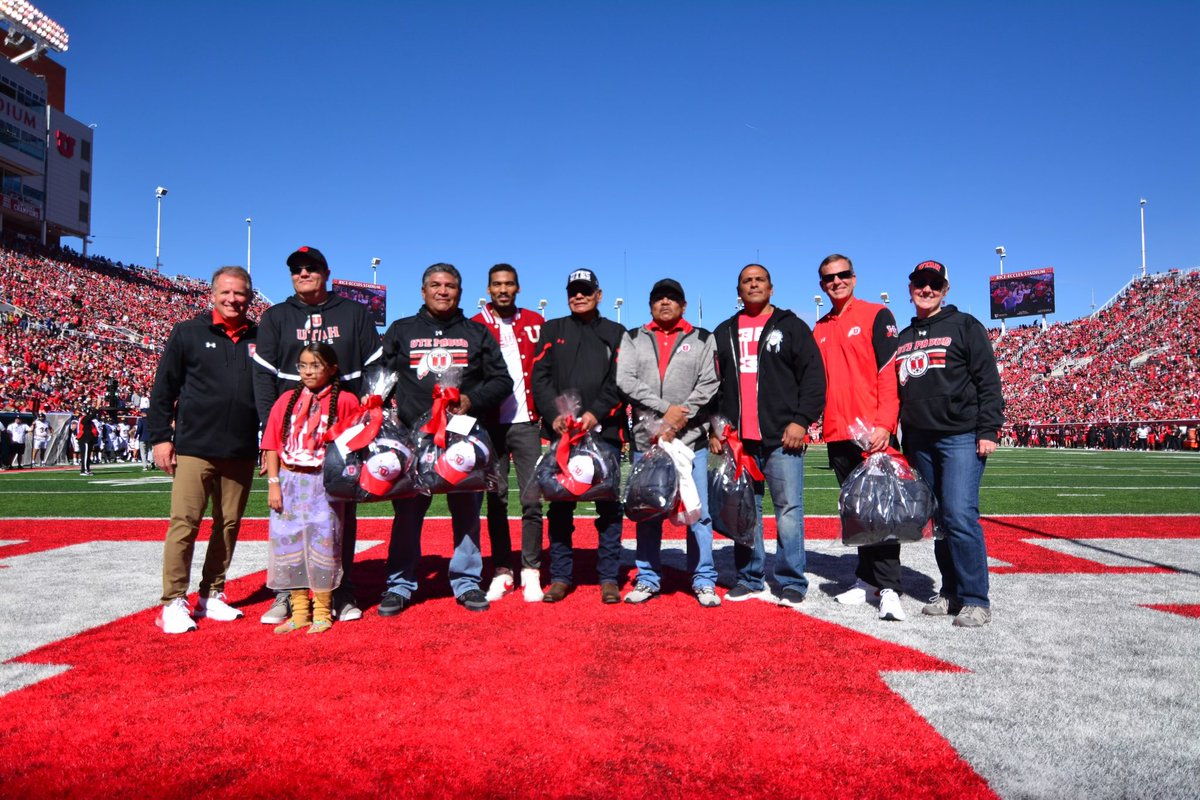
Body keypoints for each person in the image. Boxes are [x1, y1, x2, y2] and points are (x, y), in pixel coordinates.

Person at [253, 245, 380, 625]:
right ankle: (287, 597)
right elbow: (263, 377)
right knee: (287, 524)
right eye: (296, 269)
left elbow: (375, 368)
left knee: (338, 522)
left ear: (326, 272)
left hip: (341, 438)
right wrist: (273, 435)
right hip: (294, 442)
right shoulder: (276, 316)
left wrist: (365, 423)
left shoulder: (354, 313)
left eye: (311, 268)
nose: (303, 274)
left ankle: (342, 591)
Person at [377, 263, 512, 615]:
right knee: (407, 515)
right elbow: (379, 376)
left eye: (449, 286)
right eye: (435, 285)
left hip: (463, 441)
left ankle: (467, 582)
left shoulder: (477, 333)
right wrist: (381, 413)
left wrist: (471, 399)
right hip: (413, 439)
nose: (442, 291)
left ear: (460, 292)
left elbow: (502, 381)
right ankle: (400, 584)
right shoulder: (402, 330)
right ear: (423, 291)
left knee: (467, 514)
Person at [147, 266, 261, 634]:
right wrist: (160, 437)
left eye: (240, 293)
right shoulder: (188, 332)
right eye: (226, 292)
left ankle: (212, 594)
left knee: (228, 525)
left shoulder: (262, 337)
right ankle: (173, 601)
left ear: (250, 297)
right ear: (212, 294)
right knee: (185, 523)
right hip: (195, 446)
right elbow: (163, 388)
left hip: (241, 448)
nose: (233, 299)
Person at [893, 260, 1005, 629]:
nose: (926, 289)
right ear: (910, 288)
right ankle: (951, 590)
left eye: (934, 284)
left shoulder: (965, 325)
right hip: (918, 439)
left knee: (959, 515)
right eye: (920, 283)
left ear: (945, 289)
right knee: (939, 520)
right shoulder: (904, 337)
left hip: (960, 435)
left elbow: (988, 379)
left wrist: (988, 429)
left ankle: (976, 599)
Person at [711, 264, 825, 607]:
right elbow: (712, 386)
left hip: (782, 438)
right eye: (747, 281)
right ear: (738, 291)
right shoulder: (724, 331)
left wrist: (801, 421)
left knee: (788, 510)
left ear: (771, 288)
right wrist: (716, 427)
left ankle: (791, 581)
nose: (753, 285)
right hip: (739, 441)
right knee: (745, 510)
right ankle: (749, 577)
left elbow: (814, 377)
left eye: (759, 280)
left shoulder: (791, 326)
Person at [616, 278, 721, 606]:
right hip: (647, 441)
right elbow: (625, 380)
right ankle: (648, 577)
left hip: (690, 440)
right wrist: (665, 411)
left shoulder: (702, 338)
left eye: (672, 298)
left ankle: (703, 578)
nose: (665, 303)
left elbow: (709, 383)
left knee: (698, 513)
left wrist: (679, 417)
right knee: (647, 511)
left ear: (683, 305)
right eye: (658, 298)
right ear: (650, 305)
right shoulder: (633, 337)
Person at [813, 254, 905, 621]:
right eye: (829, 278)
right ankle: (867, 580)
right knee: (857, 512)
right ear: (822, 285)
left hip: (873, 434)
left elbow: (888, 372)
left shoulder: (876, 314)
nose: (836, 281)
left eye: (842, 275)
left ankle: (889, 587)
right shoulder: (819, 327)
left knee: (882, 512)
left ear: (853, 277)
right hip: (838, 434)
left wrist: (885, 424)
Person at [531, 268, 628, 605]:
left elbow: (620, 380)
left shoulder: (616, 332)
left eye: (586, 290)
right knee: (560, 507)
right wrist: (554, 414)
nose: (579, 296)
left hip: (605, 432)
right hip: (563, 433)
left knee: (609, 507)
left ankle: (609, 577)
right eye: (573, 291)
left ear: (599, 295)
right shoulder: (552, 329)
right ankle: (560, 576)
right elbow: (539, 377)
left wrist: (596, 412)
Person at [260, 343, 361, 634]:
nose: (307, 372)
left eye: (315, 366)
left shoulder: (346, 401)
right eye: (302, 366)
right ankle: (300, 612)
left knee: (325, 545)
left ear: (332, 369)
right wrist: (274, 485)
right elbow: (271, 444)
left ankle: (322, 612)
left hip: (324, 483)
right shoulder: (286, 400)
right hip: (289, 482)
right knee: (289, 545)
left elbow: (357, 442)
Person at [470, 264, 547, 602]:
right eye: (497, 284)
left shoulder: (535, 321)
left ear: (518, 288)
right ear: (488, 289)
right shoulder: (475, 325)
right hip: (490, 425)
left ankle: (531, 570)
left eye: (509, 284)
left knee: (532, 499)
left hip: (526, 423)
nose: (503, 289)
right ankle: (502, 569)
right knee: (496, 498)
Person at [76, 407, 100, 476]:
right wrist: (96, 408)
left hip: (88, 439)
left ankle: (87, 469)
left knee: (88, 455)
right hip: (84, 439)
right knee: (85, 455)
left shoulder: (88, 420)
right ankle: (84, 470)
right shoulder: (83, 418)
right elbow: (92, 416)